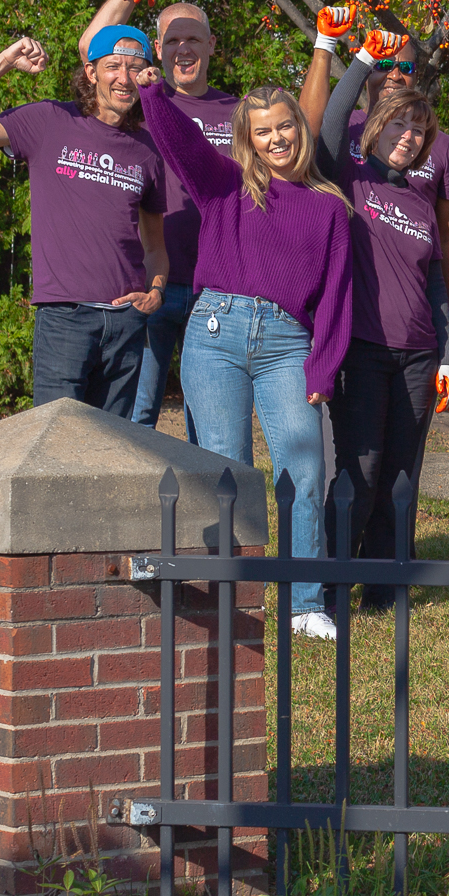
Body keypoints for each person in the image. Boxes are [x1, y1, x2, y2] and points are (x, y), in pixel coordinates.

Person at [138, 59, 355, 638]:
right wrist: (153, 92)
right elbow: (179, 142)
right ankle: (228, 595)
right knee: (224, 467)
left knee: (304, 464)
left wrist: (324, 368)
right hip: (217, 335)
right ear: (248, 141)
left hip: (290, 345)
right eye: (263, 131)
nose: (277, 139)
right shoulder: (225, 187)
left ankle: (306, 603)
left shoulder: (331, 206)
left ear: (299, 130)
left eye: (285, 126)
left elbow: (336, 296)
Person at [0, 26, 169, 416]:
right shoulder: (48, 121)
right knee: (56, 449)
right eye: (113, 67)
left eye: (135, 68)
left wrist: (155, 293)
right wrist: (5, 61)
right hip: (65, 320)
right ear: (91, 72)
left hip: (125, 323)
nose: (124, 78)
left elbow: (155, 246)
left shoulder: (147, 149)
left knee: (109, 454)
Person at [316, 15, 449, 600]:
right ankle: (329, 583)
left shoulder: (419, 202)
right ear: (374, 128)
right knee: (361, 470)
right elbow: (327, 126)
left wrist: (448, 355)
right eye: (397, 125)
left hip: (418, 355)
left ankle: (383, 585)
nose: (407, 137)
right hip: (363, 349)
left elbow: (434, 287)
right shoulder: (347, 179)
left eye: (417, 133)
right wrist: (358, 61)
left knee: (402, 475)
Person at [77, 0, 239, 433]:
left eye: (193, 38)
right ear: (159, 52)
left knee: (205, 421)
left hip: (217, 289)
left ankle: (203, 509)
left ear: (211, 45)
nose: (183, 49)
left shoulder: (240, 113)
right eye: (172, 40)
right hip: (150, 287)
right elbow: (92, 45)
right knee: (135, 416)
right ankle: (136, 509)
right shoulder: (140, 107)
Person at [302, 11, 449, 299]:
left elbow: (447, 233)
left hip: (410, 298)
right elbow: (306, 132)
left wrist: (447, 312)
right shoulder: (343, 128)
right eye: (384, 63)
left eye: (406, 67)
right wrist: (327, 43)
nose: (394, 74)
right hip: (343, 289)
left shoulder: (441, 145)